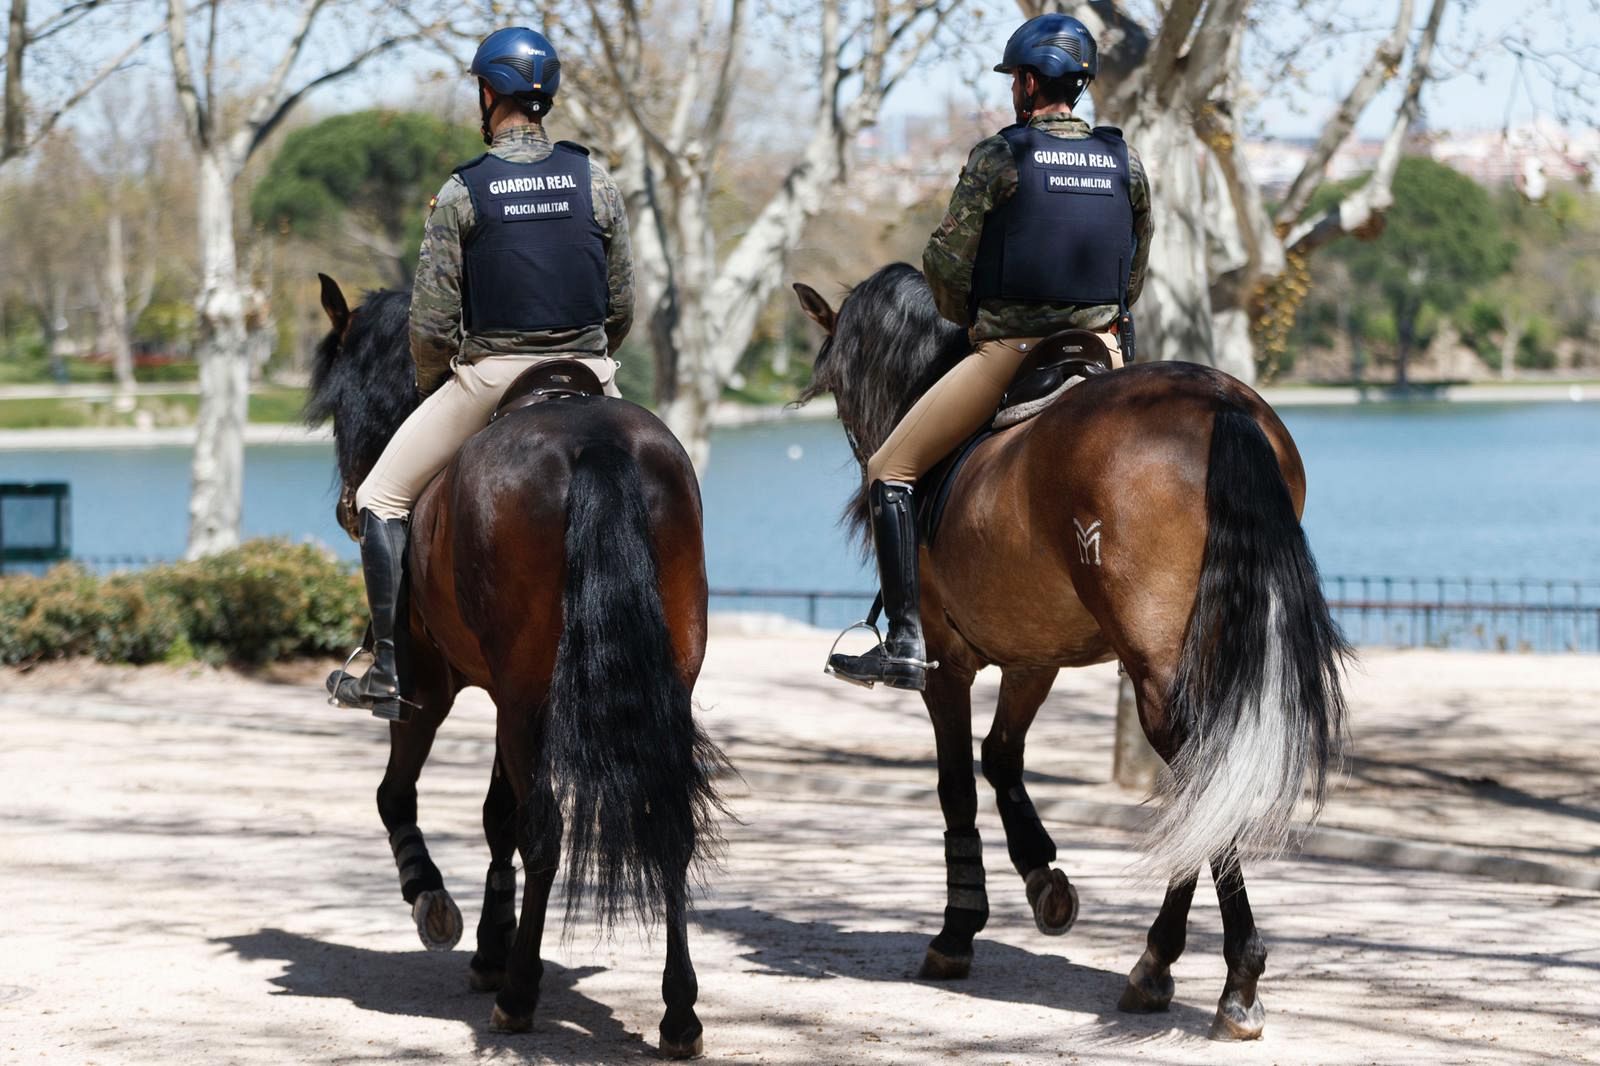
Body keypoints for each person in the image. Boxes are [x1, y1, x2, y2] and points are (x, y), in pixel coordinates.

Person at [826, 13, 1153, 692]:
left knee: (889, 469)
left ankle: (906, 640)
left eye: (1016, 81)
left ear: (1028, 84)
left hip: (1012, 350)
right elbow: (1134, 276)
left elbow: (944, 265)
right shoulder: (1126, 160)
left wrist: (968, 321)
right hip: (1103, 356)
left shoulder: (1001, 156)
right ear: (1081, 84)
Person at [329, 26, 634, 720]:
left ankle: (387, 666)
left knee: (380, 497)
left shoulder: (463, 192)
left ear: (488, 92)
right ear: (544, 96)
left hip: (495, 374)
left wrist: (437, 380)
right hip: (590, 369)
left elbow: (432, 326)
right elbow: (622, 305)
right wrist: (594, 359)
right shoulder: (596, 179)